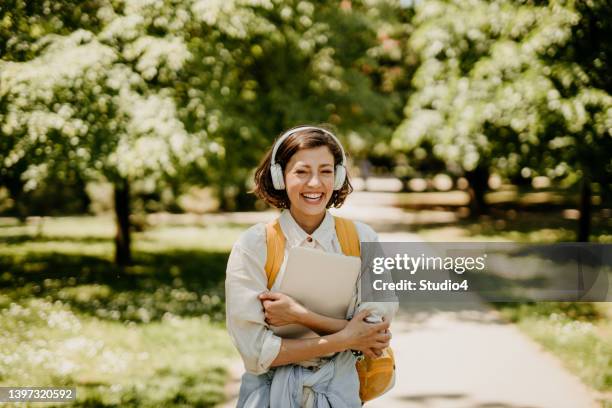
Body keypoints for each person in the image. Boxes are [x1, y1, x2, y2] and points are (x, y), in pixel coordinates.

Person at [225, 125, 398, 407]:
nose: (315, 183)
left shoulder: (363, 239)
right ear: (280, 177)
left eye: (326, 171)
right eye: (302, 172)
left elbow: (375, 334)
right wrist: (347, 337)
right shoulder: (254, 246)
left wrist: (300, 315)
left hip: (339, 395)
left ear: (339, 176)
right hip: (268, 397)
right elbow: (256, 353)